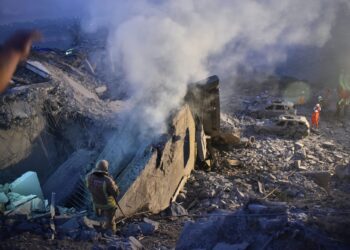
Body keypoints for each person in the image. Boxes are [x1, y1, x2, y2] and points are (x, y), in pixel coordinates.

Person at [86, 160, 120, 234]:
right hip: (107, 205)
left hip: (96, 203)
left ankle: (98, 216)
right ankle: (112, 232)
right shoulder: (108, 180)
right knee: (111, 220)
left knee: (97, 208)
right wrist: (114, 184)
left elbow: (89, 188)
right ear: (106, 169)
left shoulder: (89, 177)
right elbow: (116, 193)